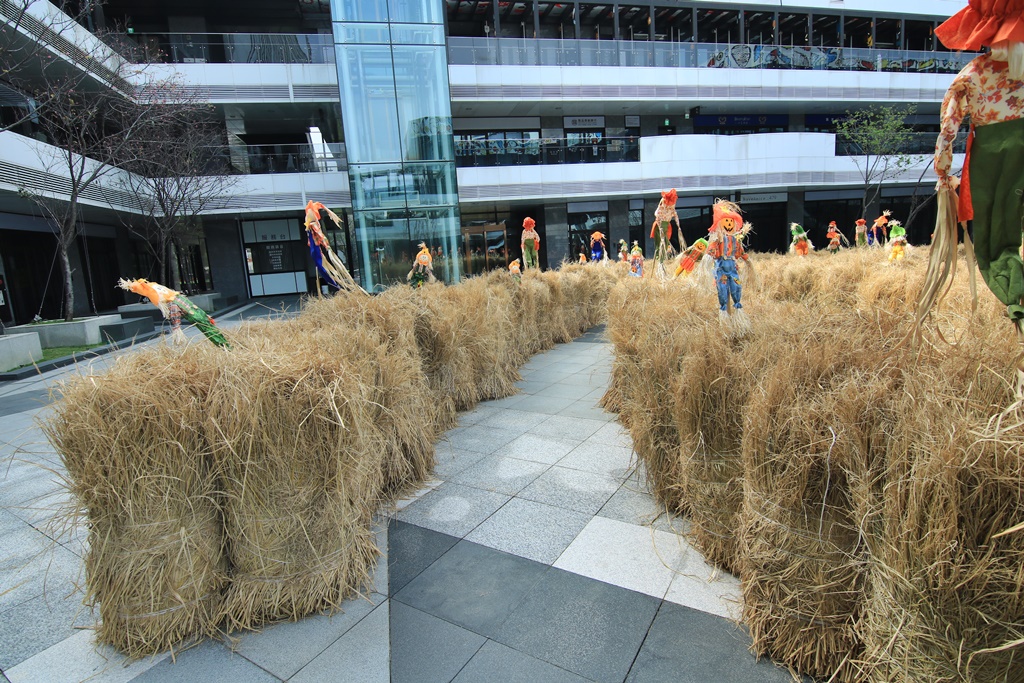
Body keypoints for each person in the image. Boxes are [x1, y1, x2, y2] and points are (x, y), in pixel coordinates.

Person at [929, 0, 1024, 327]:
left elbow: (949, 126)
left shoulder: (974, 75)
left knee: (994, 239)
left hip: (992, 159)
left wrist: (943, 172)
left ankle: (1017, 303)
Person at [706, 200, 750, 318]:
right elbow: (710, 251)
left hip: (732, 268)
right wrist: (707, 259)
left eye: (731, 221)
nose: (729, 224)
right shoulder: (718, 240)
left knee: (736, 287)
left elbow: (740, 252)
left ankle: (737, 310)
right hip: (722, 269)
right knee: (723, 291)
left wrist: (746, 259)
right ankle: (724, 314)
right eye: (726, 221)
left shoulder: (734, 240)